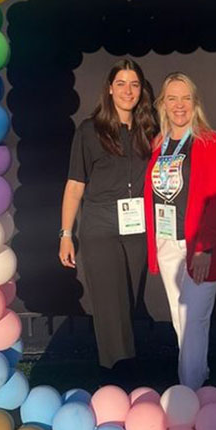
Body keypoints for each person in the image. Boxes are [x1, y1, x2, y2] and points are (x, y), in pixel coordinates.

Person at [60, 59, 158, 369]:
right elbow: (75, 185)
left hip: (137, 226)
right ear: (109, 89)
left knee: (126, 300)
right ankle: (118, 371)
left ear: (141, 90)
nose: (128, 91)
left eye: (134, 84)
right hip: (99, 226)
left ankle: (125, 364)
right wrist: (66, 234)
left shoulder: (151, 129)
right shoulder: (90, 130)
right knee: (108, 303)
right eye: (121, 84)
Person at [144, 72, 216, 389]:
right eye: (172, 98)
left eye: (185, 98)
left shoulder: (214, 143)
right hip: (166, 241)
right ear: (162, 104)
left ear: (195, 103)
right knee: (181, 320)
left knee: (194, 320)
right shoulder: (157, 145)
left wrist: (204, 247)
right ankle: (199, 374)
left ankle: (188, 393)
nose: (179, 105)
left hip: (198, 245)